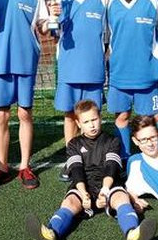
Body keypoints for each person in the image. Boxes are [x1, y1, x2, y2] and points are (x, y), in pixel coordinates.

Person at [25, 100, 157, 240]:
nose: (92, 125)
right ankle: (51, 233)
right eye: (86, 122)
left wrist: (105, 190)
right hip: (84, 185)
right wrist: (83, 193)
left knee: (121, 198)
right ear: (78, 123)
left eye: (94, 119)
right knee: (69, 202)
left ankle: (132, 234)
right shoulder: (73, 144)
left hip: (108, 184)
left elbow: (110, 167)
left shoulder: (112, 140)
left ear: (100, 118)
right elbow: (76, 170)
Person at [0, 0, 57, 190]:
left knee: (24, 114)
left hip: (26, 59)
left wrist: (52, 17)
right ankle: (2, 167)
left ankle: (25, 166)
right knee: (1, 115)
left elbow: (43, 27)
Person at [106, 0, 158, 160]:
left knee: (154, 117)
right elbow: (104, 36)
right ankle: (123, 158)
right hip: (119, 72)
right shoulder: (110, 4)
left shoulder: (153, 3)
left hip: (146, 72)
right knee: (122, 117)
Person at [52, 0, 108, 181]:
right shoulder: (63, 4)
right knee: (70, 116)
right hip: (69, 69)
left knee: (93, 116)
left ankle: (94, 159)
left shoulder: (103, 3)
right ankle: (72, 160)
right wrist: (53, 16)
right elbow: (54, 32)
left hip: (94, 70)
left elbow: (108, 35)